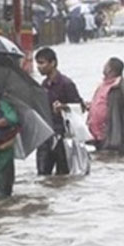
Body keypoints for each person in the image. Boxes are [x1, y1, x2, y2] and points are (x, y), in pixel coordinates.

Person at [35, 47, 85, 175]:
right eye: (38, 63)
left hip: (63, 136)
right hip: (46, 134)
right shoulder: (44, 85)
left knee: (63, 173)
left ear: (53, 63)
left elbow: (79, 108)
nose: (39, 67)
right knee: (42, 174)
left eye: (42, 63)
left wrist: (63, 107)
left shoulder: (66, 84)